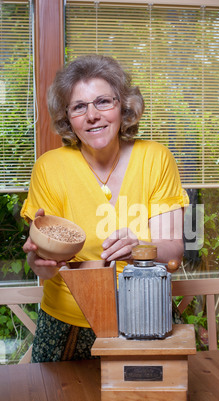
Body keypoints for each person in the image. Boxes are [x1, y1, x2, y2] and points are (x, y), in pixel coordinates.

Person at [21, 54, 189, 362]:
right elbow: (43, 263)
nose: (92, 115)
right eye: (79, 107)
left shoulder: (155, 159)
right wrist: (39, 260)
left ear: (123, 107)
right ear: (67, 117)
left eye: (103, 102)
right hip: (66, 322)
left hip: (146, 314)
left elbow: (173, 252)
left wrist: (140, 247)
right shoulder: (50, 167)